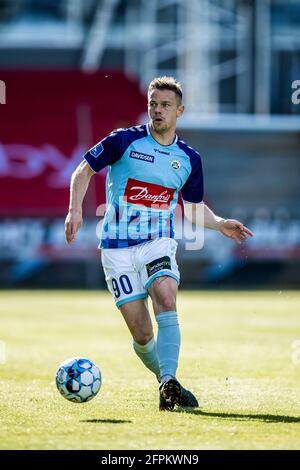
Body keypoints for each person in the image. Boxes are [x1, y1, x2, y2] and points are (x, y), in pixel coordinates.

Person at [65, 76, 253, 411]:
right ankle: (166, 383)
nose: (157, 110)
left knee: (166, 296)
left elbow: (193, 209)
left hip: (157, 242)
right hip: (116, 248)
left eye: (165, 105)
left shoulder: (189, 159)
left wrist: (219, 223)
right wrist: (74, 209)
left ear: (180, 110)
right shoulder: (124, 141)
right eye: (153, 104)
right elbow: (83, 170)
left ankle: (169, 378)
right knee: (141, 332)